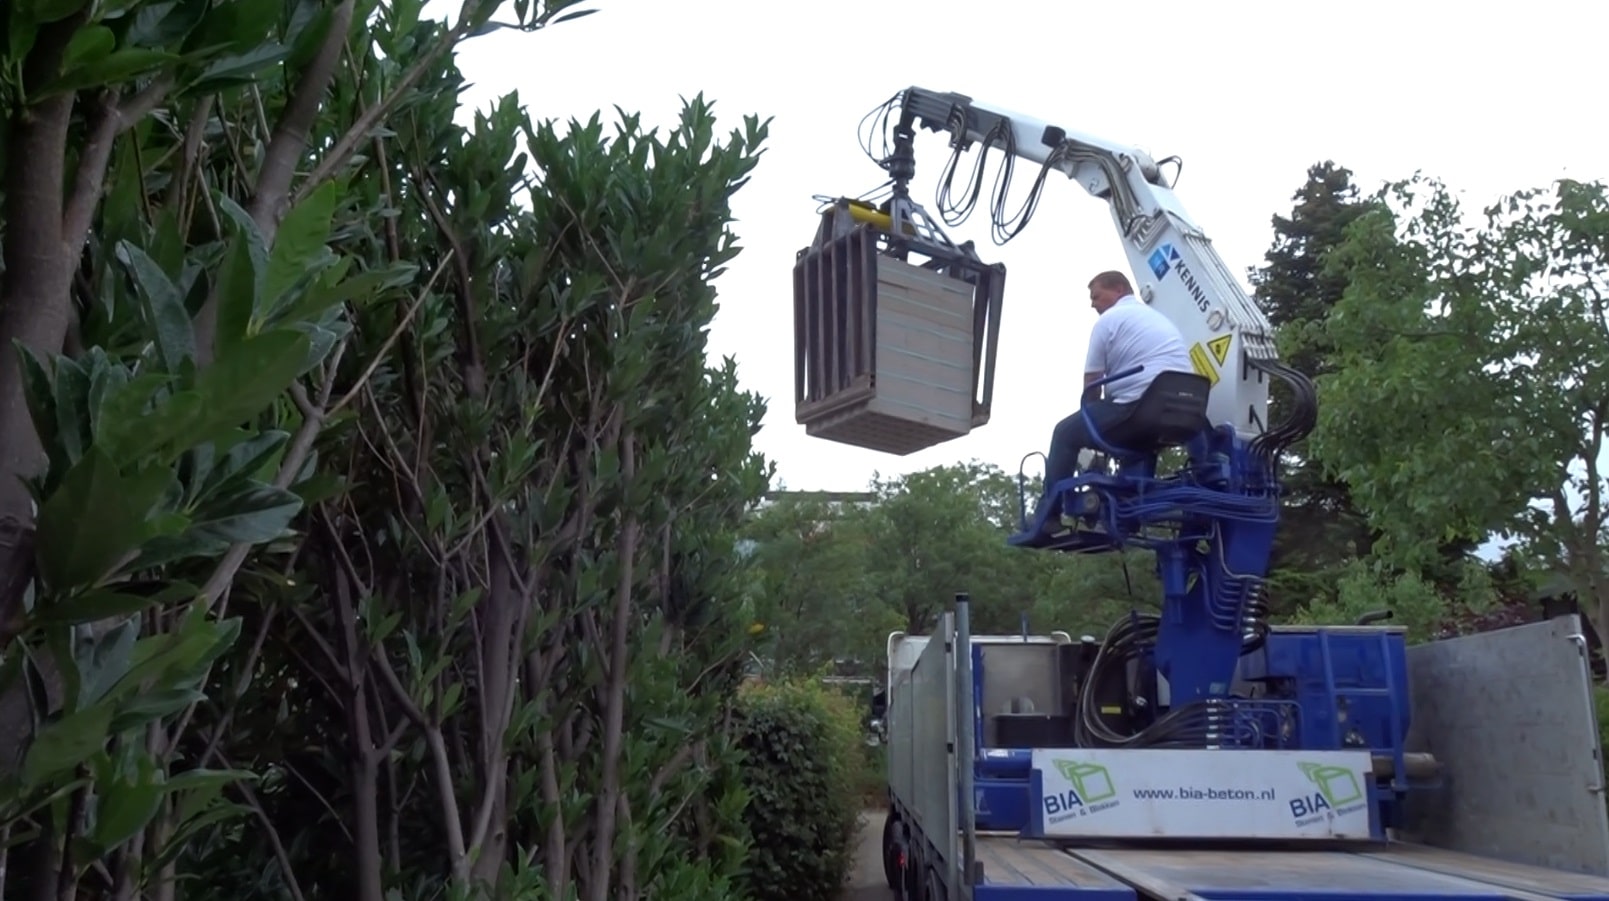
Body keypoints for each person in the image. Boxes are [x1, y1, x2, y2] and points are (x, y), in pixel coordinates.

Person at [1040, 270, 1194, 504]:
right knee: (1139, 443)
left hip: (1140, 407)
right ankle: (1130, 501)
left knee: (1065, 433)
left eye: (1096, 296)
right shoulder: (1159, 319)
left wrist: (1091, 424)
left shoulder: (1109, 320)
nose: (1093, 305)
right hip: (1185, 408)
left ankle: (1048, 512)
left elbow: (1092, 383)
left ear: (1119, 290)